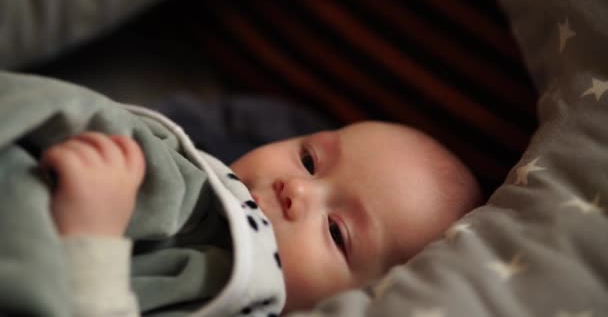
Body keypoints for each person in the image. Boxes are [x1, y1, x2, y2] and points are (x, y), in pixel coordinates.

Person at [41, 121, 481, 314]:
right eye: (308, 160)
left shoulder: (238, 300)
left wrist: (91, 235)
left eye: (336, 231)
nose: (298, 189)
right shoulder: (187, 168)